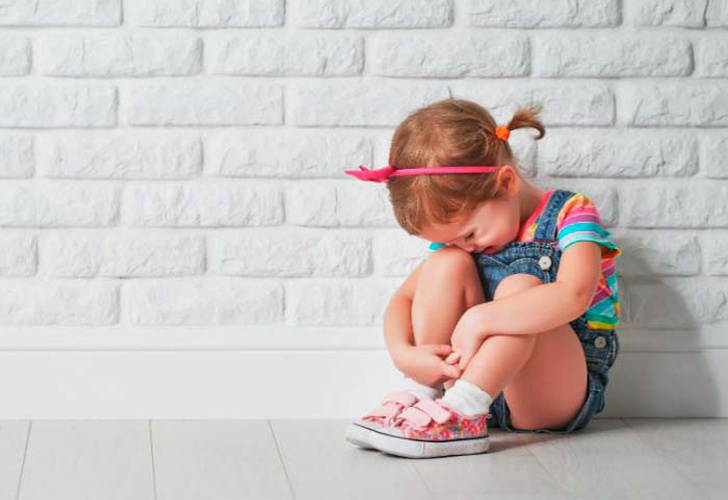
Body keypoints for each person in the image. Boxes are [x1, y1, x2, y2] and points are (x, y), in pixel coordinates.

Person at [343, 98, 622, 459]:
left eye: (470, 234)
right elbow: (403, 299)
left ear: (505, 183)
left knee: (519, 287)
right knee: (445, 264)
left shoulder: (572, 213)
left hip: (550, 394)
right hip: (467, 395)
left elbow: (574, 296)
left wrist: (481, 317)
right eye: (455, 238)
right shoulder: (460, 246)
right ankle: (427, 396)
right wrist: (404, 354)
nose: (467, 245)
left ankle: (464, 408)